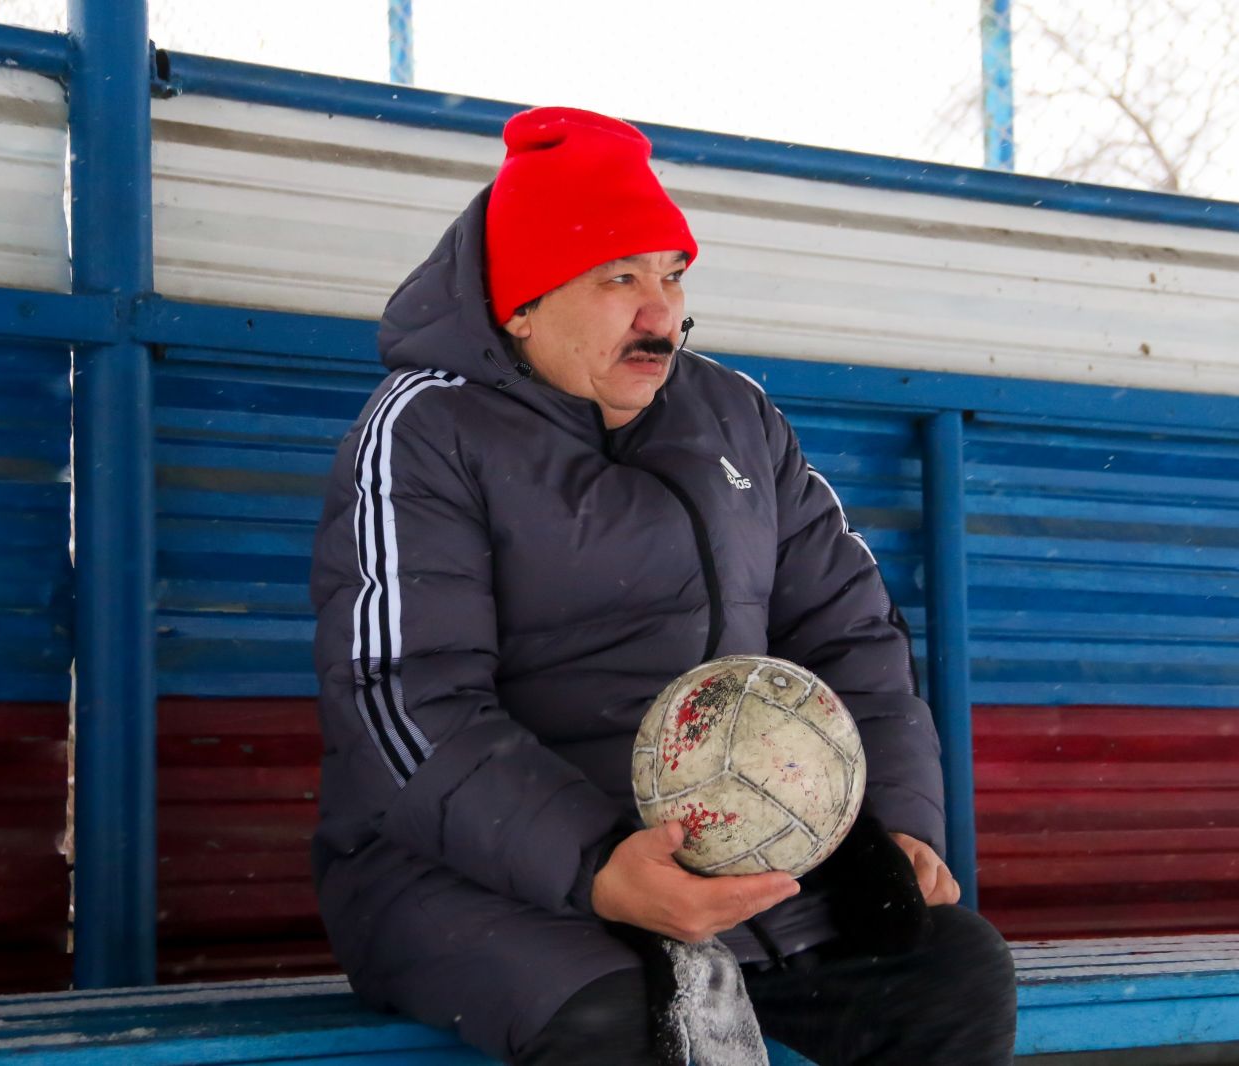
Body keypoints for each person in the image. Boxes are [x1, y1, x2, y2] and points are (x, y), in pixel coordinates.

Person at [309, 106, 1016, 1065]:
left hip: (739, 856)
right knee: (626, 1019)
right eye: (620, 279)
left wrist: (897, 822)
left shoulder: (734, 415)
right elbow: (403, 697)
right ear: (520, 306)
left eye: (673, 276)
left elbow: (850, 634)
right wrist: (600, 867)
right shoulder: (423, 431)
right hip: (467, 873)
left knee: (947, 974)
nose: (661, 315)